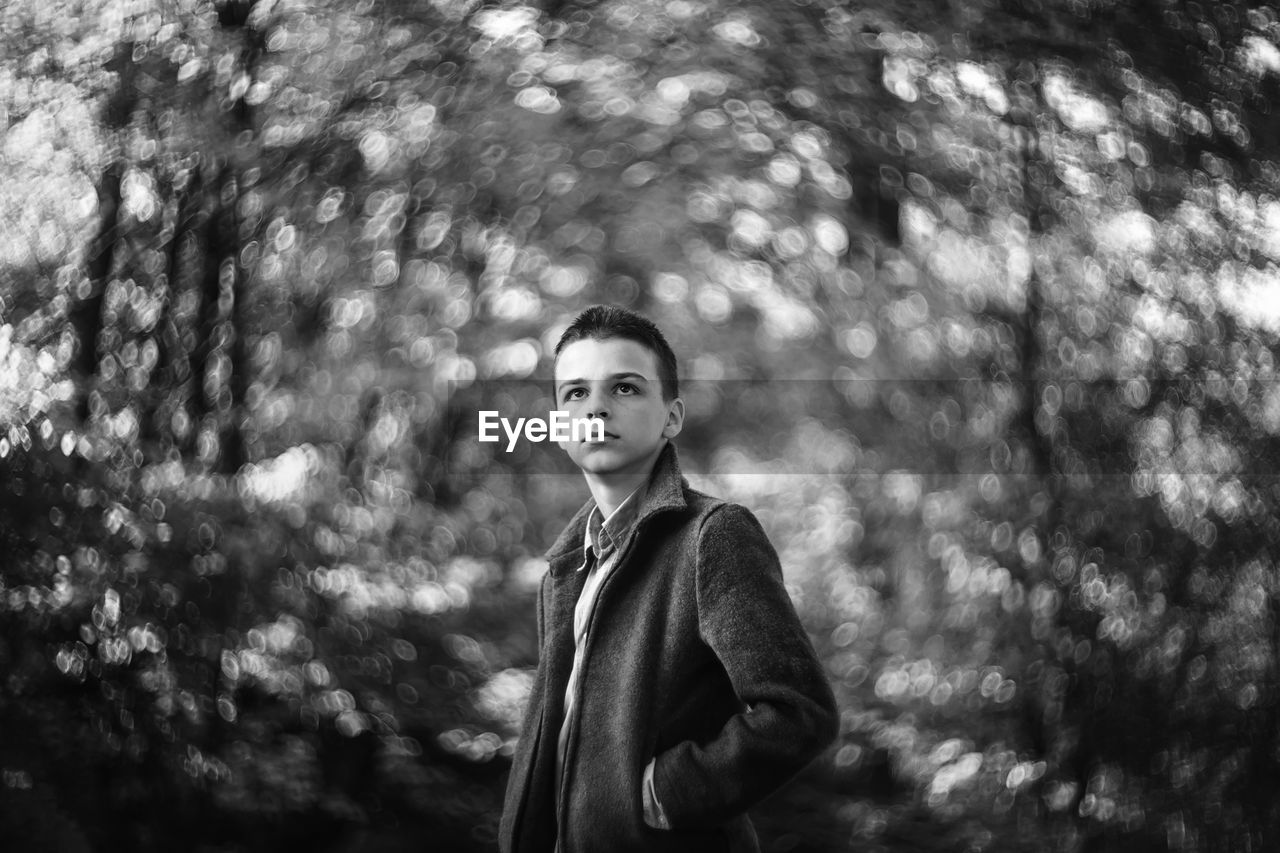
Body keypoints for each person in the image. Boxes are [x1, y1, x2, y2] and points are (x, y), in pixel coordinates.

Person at [499, 305, 837, 853]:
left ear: (672, 416)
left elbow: (799, 713)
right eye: (575, 393)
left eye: (625, 389)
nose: (596, 408)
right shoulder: (565, 567)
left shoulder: (713, 536)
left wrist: (667, 792)